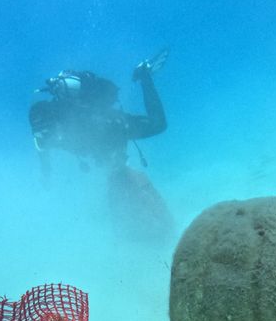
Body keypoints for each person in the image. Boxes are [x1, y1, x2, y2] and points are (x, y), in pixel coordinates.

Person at [29, 50, 174, 242]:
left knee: (123, 170)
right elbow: (42, 146)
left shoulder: (57, 133)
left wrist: (46, 173)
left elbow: (44, 145)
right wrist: (46, 172)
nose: (44, 136)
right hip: (103, 135)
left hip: (109, 127)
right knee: (119, 174)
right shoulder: (52, 133)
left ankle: (144, 75)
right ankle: (155, 230)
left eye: (44, 132)